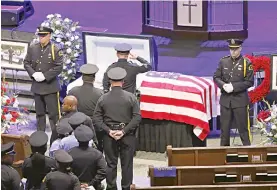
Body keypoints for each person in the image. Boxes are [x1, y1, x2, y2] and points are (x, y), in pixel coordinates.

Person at [93, 67, 141, 190]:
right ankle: (126, 188)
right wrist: (123, 131)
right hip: (127, 135)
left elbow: (97, 119)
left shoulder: (103, 98)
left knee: (111, 164)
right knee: (127, 165)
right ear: (123, 81)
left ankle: (111, 187)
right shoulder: (131, 97)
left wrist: (109, 131)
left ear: (109, 81)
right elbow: (137, 118)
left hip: (109, 136)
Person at [24, 26, 63, 144]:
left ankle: (55, 141)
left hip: (50, 87)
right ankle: (39, 141)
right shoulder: (33, 48)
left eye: (43, 35)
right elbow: (26, 63)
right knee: (39, 115)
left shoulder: (55, 49)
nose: (41, 38)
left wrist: (45, 76)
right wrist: (33, 73)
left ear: (49, 35)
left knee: (53, 116)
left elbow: (59, 67)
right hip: (37, 87)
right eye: (40, 35)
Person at [213, 39, 254, 146]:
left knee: (243, 130)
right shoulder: (223, 61)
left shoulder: (246, 63)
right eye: (231, 49)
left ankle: (248, 151)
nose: (233, 52)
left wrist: (234, 87)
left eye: (235, 49)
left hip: (240, 101)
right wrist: (223, 85)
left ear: (240, 48)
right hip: (226, 101)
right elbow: (216, 77)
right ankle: (223, 155)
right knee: (224, 131)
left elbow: (249, 82)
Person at [68, 64, 104, 152]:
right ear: (94, 78)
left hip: (76, 125)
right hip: (95, 127)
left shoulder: (73, 91)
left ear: (82, 78)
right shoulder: (100, 93)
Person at [68, 125, 106, 190]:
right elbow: (103, 171)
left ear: (77, 139)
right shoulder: (97, 154)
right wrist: (91, 183)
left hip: (74, 186)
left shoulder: (70, 153)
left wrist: (78, 183)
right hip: (93, 186)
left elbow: (66, 170)